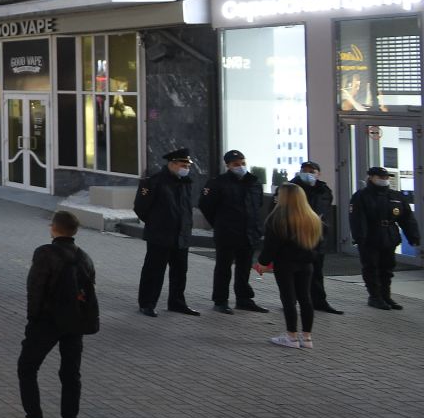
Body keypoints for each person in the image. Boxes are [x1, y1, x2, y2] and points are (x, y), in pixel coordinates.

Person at [5, 210, 95, 418]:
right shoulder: (85, 257)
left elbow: (35, 289)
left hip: (48, 320)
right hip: (74, 323)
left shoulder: (45, 253)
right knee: (70, 373)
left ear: (53, 228)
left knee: (27, 367)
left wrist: (32, 320)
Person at [199, 149, 267, 314]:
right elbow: (206, 205)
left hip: (248, 232)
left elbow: (257, 206)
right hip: (227, 233)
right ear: (228, 165)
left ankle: (243, 299)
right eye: (236, 164)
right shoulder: (218, 182)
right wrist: (219, 223)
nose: (241, 166)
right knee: (224, 267)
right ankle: (220, 300)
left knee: (244, 267)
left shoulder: (253, 182)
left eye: (243, 163)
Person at [256, 183, 323, 350]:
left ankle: (291, 336)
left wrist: (262, 263)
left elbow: (271, 246)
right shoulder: (312, 217)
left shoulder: (277, 218)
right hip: (306, 264)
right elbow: (319, 244)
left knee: (288, 299)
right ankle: (307, 337)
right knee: (306, 299)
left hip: (285, 264)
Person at [134, 148, 199, 316]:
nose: (186, 167)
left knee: (180, 271)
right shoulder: (154, 182)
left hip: (181, 235)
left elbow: (185, 209)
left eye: (187, 164)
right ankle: (147, 303)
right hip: (160, 235)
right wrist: (157, 223)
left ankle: (177, 302)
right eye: (183, 164)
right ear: (172, 164)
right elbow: (141, 208)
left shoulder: (186, 182)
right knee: (154, 270)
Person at [349, 164, 417, 310]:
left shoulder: (395, 196)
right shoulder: (361, 196)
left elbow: (407, 218)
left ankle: (386, 296)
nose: (384, 179)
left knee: (387, 268)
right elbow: (357, 218)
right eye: (380, 177)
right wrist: (360, 237)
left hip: (389, 236)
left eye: (386, 177)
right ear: (371, 178)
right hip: (370, 237)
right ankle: (375, 297)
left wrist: (413, 236)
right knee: (371, 267)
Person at [290, 161, 343, 315]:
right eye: (304, 170)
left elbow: (325, 212)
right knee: (294, 271)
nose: (308, 173)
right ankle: (291, 301)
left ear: (318, 174)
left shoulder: (324, 190)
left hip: (316, 237)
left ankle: (319, 301)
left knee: (316, 271)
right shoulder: (290, 188)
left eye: (312, 171)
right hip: (296, 237)